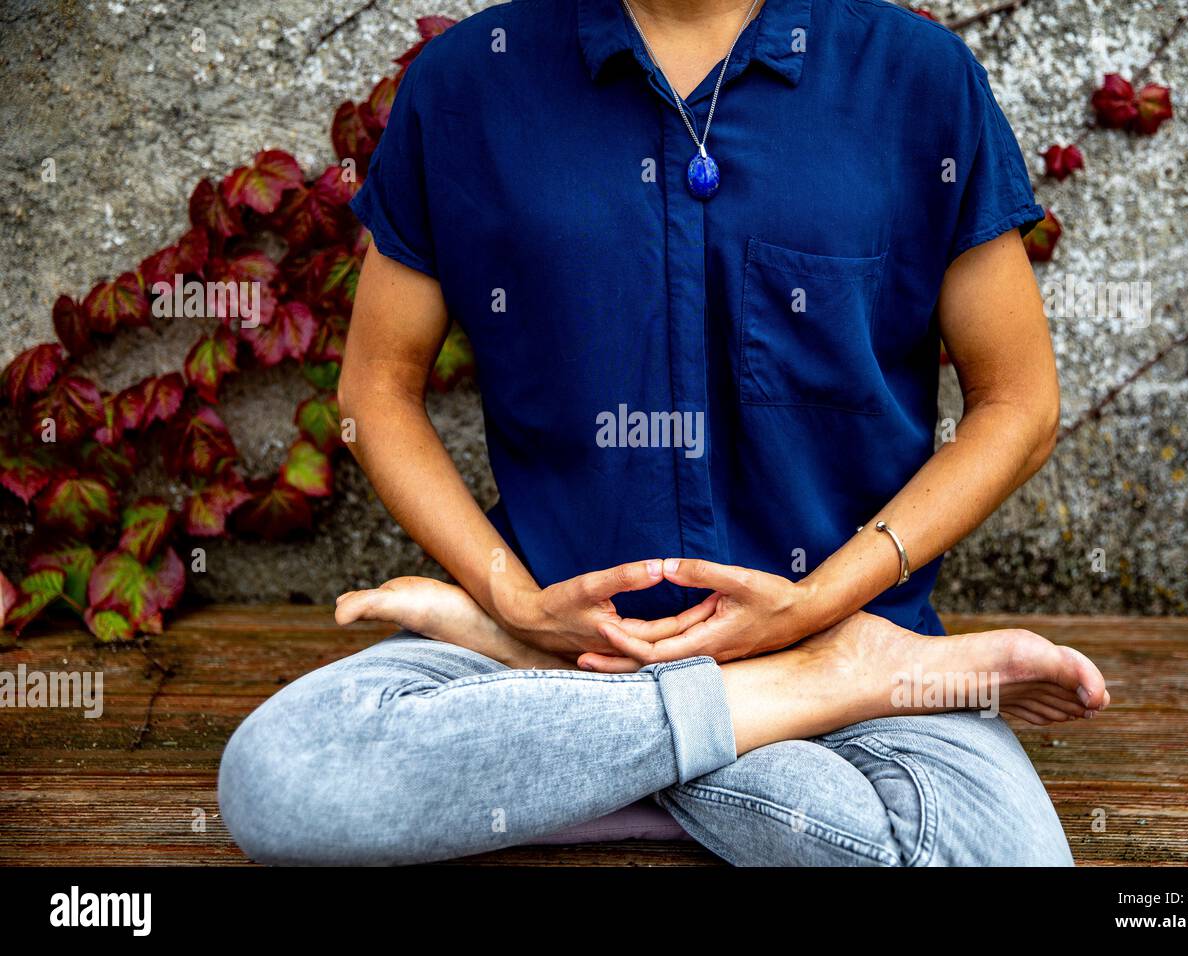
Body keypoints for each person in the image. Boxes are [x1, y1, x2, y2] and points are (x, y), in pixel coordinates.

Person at [218, 0, 1110, 866]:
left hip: (854, 655)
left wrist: (823, 603)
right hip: (557, 654)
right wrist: (513, 608)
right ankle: (785, 694)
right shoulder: (466, 85)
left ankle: (633, 757)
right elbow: (375, 390)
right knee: (279, 780)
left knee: (993, 853)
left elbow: (1017, 405)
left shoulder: (919, 79)